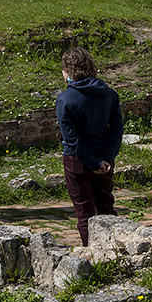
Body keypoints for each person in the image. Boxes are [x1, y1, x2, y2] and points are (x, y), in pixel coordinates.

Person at [55, 46, 123, 246]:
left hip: (78, 162)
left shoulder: (66, 99)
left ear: (68, 71)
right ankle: (115, 249)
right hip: (104, 159)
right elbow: (116, 129)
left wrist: (92, 162)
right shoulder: (109, 94)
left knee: (85, 213)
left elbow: (72, 139)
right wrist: (106, 157)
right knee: (106, 207)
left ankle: (92, 251)